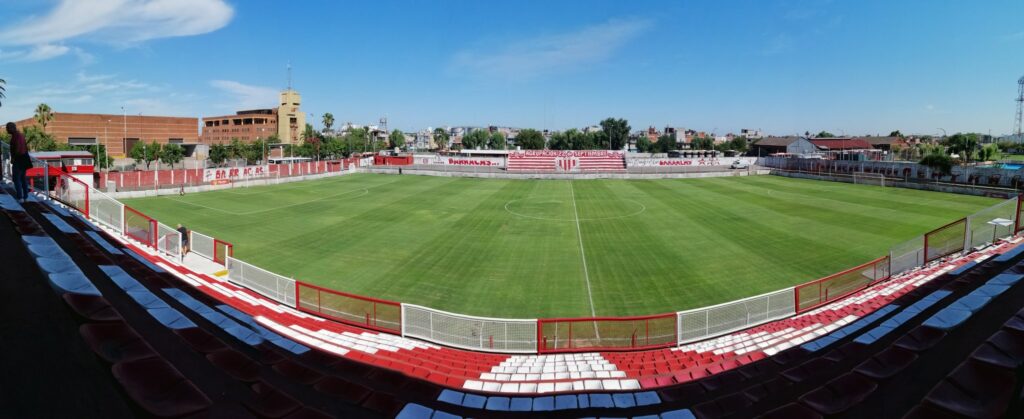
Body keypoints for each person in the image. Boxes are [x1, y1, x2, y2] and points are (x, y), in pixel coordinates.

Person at [7, 122, 30, 203]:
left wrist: (13, 158)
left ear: (12, 128)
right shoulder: (20, 135)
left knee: (16, 179)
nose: (7, 130)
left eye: (8, 128)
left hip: (19, 159)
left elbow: (18, 147)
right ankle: (25, 197)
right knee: (23, 178)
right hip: (24, 158)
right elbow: (25, 147)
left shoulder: (16, 136)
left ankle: (20, 197)